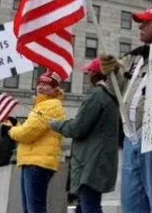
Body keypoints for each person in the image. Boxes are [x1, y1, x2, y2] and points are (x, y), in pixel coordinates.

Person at [99, 6, 152, 213]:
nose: (140, 27)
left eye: (146, 22)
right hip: (131, 137)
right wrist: (112, 73)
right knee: (132, 204)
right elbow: (120, 92)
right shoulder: (136, 57)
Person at [49, 58, 120, 213]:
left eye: (88, 72)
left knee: (90, 207)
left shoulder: (96, 95)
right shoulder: (109, 96)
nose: (86, 76)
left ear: (94, 74)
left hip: (90, 163)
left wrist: (55, 123)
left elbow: (77, 128)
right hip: (97, 161)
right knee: (84, 207)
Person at [7, 70, 66, 213]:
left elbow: (27, 134)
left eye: (46, 84)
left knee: (35, 209)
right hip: (33, 161)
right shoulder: (42, 106)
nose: (41, 86)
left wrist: (10, 129)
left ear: (54, 89)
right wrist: (16, 125)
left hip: (37, 163)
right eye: (39, 83)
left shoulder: (50, 106)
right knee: (30, 209)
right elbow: (30, 129)